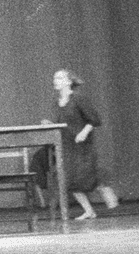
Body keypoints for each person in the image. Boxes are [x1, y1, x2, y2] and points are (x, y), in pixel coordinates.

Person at [39, 68, 119, 221]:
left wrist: (84, 132)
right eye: (55, 78)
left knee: (86, 175)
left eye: (59, 78)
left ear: (68, 81)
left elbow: (94, 120)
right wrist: (50, 124)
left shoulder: (78, 99)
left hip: (82, 145)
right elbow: (61, 123)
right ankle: (89, 211)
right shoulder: (57, 103)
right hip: (67, 145)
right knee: (69, 180)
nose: (56, 81)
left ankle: (105, 189)